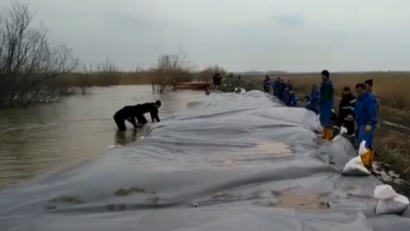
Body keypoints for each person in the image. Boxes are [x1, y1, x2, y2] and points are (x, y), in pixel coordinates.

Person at [354, 83, 378, 170]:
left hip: (367, 124)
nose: (359, 93)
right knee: (367, 143)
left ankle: (365, 163)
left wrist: (370, 124)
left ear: (365, 90)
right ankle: (368, 162)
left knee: (364, 144)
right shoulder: (360, 99)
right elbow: (358, 109)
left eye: (360, 91)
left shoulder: (370, 99)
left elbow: (373, 113)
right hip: (361, 123)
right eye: (357, 91)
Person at [318, 70, 334, 141]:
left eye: (323, 75)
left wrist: (321, 102)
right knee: (323, 117)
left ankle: (329, 134)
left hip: (326, 102)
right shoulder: (324, 82)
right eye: (321, 75)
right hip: (324, 102)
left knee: (327, 117)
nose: (322, 76)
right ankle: (325, 132)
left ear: (326, 75)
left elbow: (325, 95)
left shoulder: (327, 83)